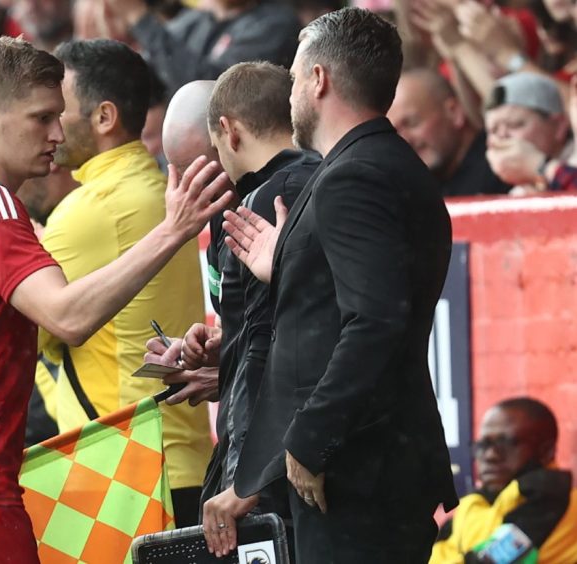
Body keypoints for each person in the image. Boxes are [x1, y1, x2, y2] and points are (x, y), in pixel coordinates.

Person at [0, 36, 231, 562]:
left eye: (59, 115)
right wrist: (173, 231)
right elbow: (67, 316)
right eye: (41, 118)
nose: (56, 133)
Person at [203, 8, 458, 562]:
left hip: (354, 473)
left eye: (294, 77)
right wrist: (291, 264)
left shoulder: (353, 176)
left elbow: (375, 321)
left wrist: (310, 440)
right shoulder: (386, 164)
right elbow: (366, 296)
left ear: (318, 80)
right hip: (374, 468)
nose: (290, 92)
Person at [38, 39, 212, 526]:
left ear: (104, 117)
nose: (51, 125)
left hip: (123, 480)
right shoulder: (157, 191)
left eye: (59, 109)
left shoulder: (85, 212)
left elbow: (34, 332)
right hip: (185, 467)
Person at [176, 62, 318, 513]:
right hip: (310, 448)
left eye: (210, 155)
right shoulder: (330, 179)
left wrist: (245, 479)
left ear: (228, 132)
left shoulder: (255, 205)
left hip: (275, 463)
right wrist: (225, 354)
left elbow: (268, 346)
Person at [431, 397, 577, 563]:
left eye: (506, 443)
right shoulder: (478, 502)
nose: (490, 455)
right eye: (483, 445)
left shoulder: (553, 498)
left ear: (546, 451)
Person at [103, 0, 300, 92]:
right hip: (178, 151)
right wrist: (115, 46)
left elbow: (214, 91)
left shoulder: (275, 24)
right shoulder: (193, 21)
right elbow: (148, 81)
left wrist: (139, 18)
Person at [388, 67, 509, 197]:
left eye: (412, 123)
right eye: (394, 132)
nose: (404, 140)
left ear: (454, 112)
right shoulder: (414, 190)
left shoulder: (505, 166)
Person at [484, 72, 574, 193]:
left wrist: (540, 167)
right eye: (493, 130)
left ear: (559, 126)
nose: (502, 136)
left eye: (514, 124)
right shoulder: (517, 193)